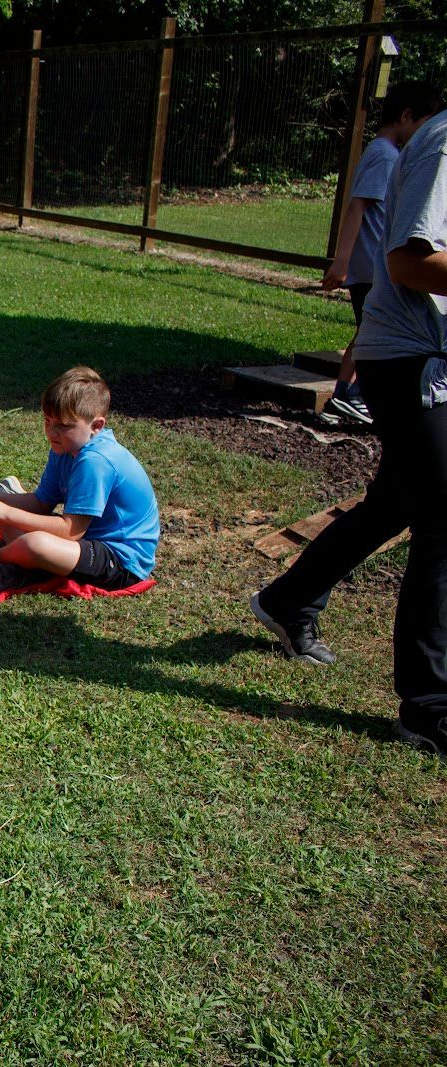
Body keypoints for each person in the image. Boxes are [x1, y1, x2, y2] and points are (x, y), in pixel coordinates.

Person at [252, 104, 447, 754]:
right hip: (411, 356)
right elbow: (408, 262)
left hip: (425, 358)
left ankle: (289, 597)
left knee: (393, 502)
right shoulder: (442, 140)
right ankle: (430, 706)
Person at [0, 367, 158, 591]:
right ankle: (28, 564)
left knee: (35, 543)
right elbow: (41, 502)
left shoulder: (95, 461)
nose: (52, 432)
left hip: (122, 561)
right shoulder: (65, 447)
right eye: (47, 421)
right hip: (85, 542)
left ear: (96, 426)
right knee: (9, 510)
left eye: (64, 425)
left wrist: (5, 512)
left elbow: (70, 531)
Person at [322, 83, 441, 424]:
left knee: (364, 332)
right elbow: (357, 205)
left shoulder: (388, 154)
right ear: (406, 116)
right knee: (367, 333)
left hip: (376, 266)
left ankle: (347, 393)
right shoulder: (385, 155)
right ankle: (346, 394)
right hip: (373, 268)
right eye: (427, 122)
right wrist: (342, 260)